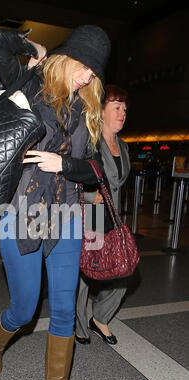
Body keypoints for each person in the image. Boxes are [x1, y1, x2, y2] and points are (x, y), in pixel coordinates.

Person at [0, 25, 111, 380]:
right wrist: (33, 48)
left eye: (95, 72)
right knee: (23, 310)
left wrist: (64, 165)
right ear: (67, 57)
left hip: (69, 217)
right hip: (21, 213)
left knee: (61, 311)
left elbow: (94, 169)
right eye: (84, 66)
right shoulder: (29, 84)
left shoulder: (87, 108)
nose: (89, 77)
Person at [75, 84, 130, 346]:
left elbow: (117, 184)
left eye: (125, 109)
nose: (122, 113)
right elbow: (71, 176)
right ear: (102, 110)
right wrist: (88, 196)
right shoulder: (90, 142)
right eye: (117, 107)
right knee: (86, 272)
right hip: (93, 216)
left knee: (124, 269)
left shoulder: (124, 147)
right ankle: (79, 326)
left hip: (113, 217)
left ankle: (100, 318)